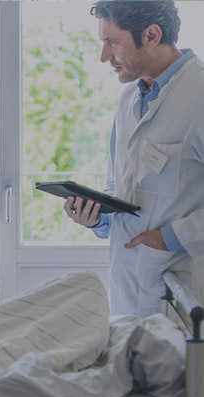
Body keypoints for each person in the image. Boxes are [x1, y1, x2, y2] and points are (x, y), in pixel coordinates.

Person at [64, 1, 204, 316]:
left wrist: (171, 238)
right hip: (128, 288)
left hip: (181, 290)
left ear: (151, 35)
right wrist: (98, 218)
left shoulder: (200, 95)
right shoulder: (129, 98)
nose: (104, 57)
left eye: (112, 42)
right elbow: (120, 185)